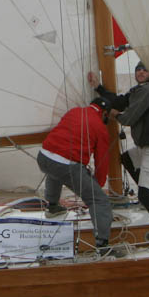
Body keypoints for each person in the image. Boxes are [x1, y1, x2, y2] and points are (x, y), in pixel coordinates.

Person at [90, 61, 149, 249]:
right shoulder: (139, 90)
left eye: (145, 69)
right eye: (138, 69)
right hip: (145, 148)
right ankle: (145, 202)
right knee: (126, 158)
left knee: (145, 193)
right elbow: (119, 102)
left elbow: (128, 118)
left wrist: (113, 114)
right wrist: (98, 88)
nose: (141, 72)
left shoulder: (147, 90)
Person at [36, 96, 118, 256]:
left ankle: (52, 207)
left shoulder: (74, 111)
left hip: (43, 157)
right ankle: (103, 246)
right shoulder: (100, 128)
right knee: (99, 200)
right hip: (64, 166)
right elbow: (102, 161)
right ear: (105, 113)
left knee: (55, 170)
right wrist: (97, 186)